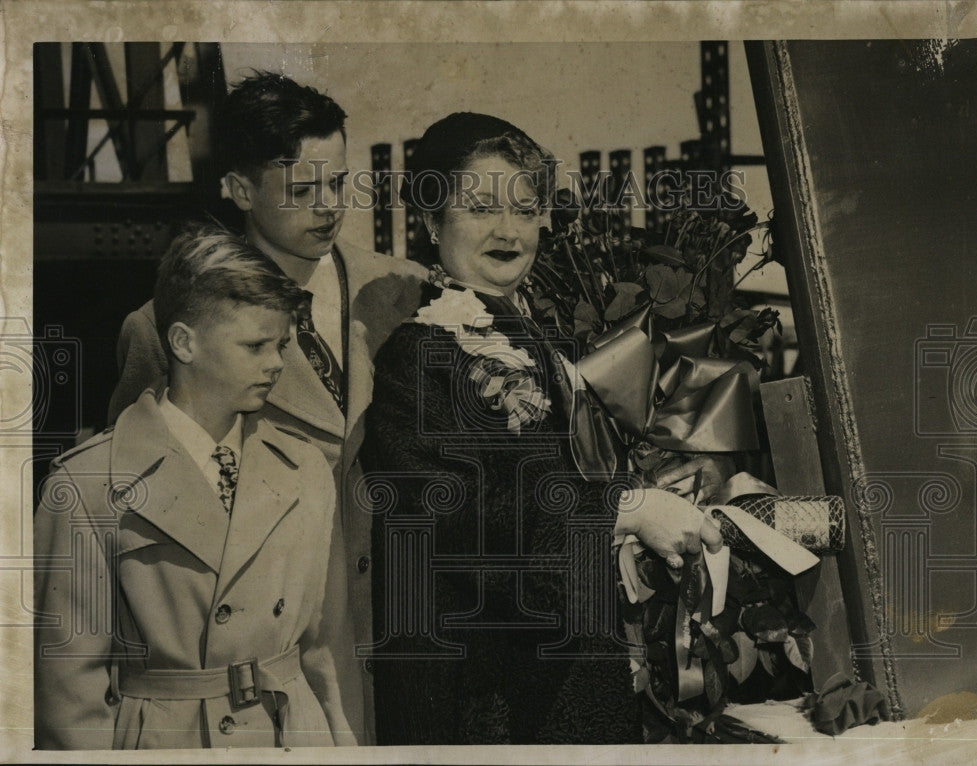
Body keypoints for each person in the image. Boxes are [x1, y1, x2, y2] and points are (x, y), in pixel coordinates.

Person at [360, 112, 724, 744]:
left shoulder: (539, 341)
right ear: (429, 221)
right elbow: (461, 521)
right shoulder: (414, 360)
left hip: (572, 680)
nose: (508, 231)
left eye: (526, 209)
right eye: (480, 208)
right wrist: (628, 507)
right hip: (485, 704)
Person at [106, 71, 424, 743]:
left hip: (419, 634)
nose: (329, 206)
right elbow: (138, 518)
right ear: (239, 189)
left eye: (339, 182)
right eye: (302, 189)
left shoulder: (407, 293)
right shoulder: (159, 329)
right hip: (284, 671)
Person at [34, 225, 360, 749]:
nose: (277, 363)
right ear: (184, 342)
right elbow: (69, 696)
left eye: (281, 344)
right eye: (255, 345)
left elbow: (327, 652)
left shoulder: (305, 468)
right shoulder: (85, 488)